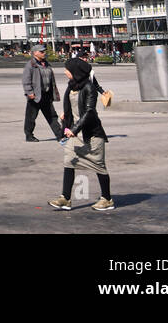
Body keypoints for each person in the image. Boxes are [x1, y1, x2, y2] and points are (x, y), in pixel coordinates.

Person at [48, 57, 114, 212]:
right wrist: (67, 115)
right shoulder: (72, 86)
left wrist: (75, 129)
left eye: (67, 69)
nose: (65, 72)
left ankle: (107, 199)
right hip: (75, 133)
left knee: (99, 166)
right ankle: (65, 198)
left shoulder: (89, 88)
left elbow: (90, 112)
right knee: (68, 161)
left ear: (75, 72)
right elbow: (72, 105)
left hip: (91, 134)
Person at [21, 43, 64, 143]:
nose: (44, 53)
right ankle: (29, 135)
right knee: (31, 117)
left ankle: (59, 135)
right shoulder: (30, 65)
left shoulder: (46, 64)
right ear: (35, 53)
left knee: (52, 116)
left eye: (44, 51)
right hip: (35, 96)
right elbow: (26, 80)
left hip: (46, 95)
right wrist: (29, 92)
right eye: (41, 51)